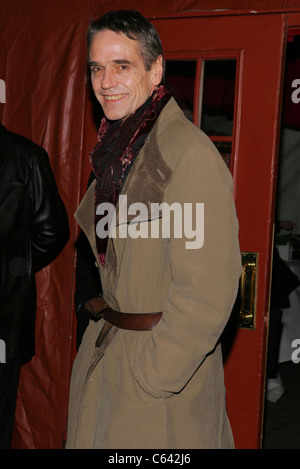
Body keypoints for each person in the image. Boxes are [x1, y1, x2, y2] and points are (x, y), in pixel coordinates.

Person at [66, 10, 241, 449]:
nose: (106, 81)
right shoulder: (116, 152)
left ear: (156, 69)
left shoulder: (188, 155)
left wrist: (153, 376)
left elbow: (207, 294)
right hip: (112, 362)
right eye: (97, 68)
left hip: (155, 388)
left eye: (121, 65)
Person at [0, 123, 69, 449]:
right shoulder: (26, 155)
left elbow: (52, 232)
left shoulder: (27, 156)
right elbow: (51, 231)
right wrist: (12, 271)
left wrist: (15, 270)